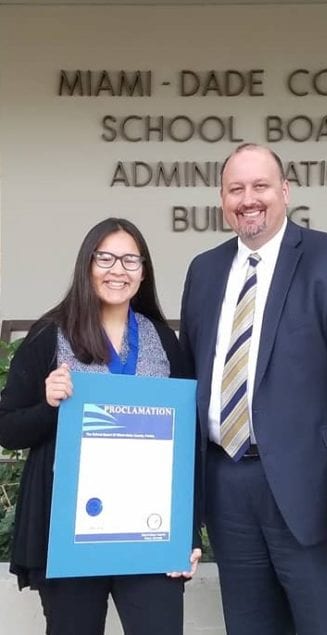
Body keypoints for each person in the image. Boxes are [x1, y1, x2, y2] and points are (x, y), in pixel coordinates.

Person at [179, 144, 327, 635]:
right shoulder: (205, 271)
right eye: (236, 189)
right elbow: (188, 376)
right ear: (222, 198)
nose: (248, 199)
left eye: (260, 186)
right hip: (228, 489)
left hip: (315, 494)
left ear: (285, 191)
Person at [0, 217, 201, 635]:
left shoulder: (163, 342)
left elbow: (188, 443)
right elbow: (8, 428)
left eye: (130, 259)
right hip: (73, 538)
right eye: (106, 258)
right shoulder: (49, 336)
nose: (118, 270)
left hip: (150, 535)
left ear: (143, 271)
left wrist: (189, 531)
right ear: (87, 265)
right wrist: (50, 404)